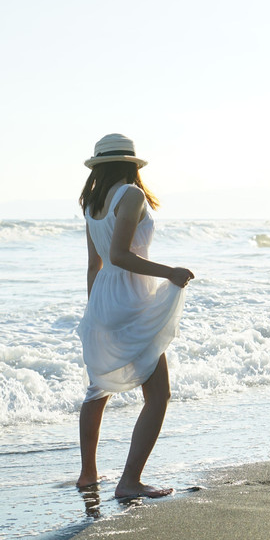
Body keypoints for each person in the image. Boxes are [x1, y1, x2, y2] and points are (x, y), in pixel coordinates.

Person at [75, 133, 194, 500]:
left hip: (104, 298)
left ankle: (87, 475)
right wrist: (170, 271)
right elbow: (122, 255)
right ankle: (129, 482)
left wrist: (95, 311)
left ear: (99, 166)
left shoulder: (93, 204)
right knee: (159, 395)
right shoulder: (131, 195)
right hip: (131, 297)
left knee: (97, 389)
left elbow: (95, 265)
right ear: (131, 163)